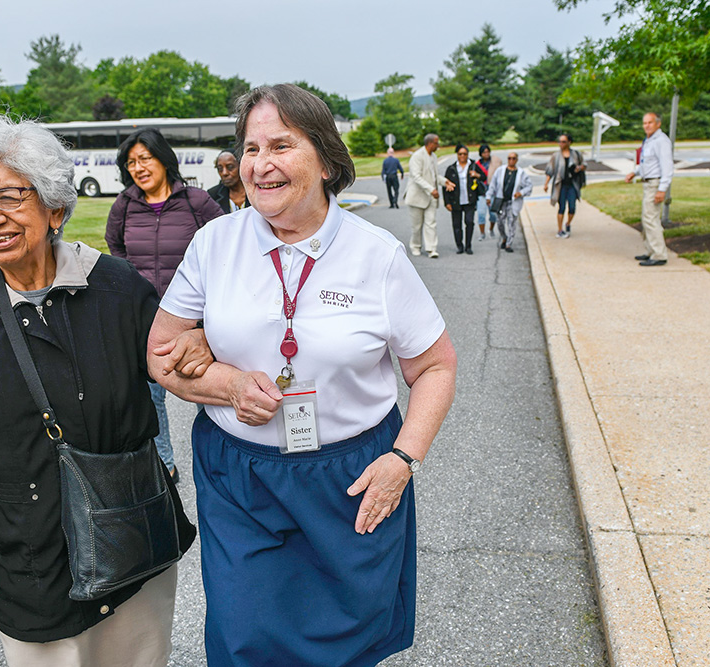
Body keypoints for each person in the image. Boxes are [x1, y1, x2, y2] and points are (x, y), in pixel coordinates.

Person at [147, 84, 457, 666]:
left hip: (351, 476)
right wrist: (227, 384)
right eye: (250, 147)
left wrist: (403, 459)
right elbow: (160, 351)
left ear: (324, 157)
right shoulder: (214, 242)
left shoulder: (378, 256)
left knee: (349, 642)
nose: (260, 165)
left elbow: (436, 365)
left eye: (281, 146)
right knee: (243, 637)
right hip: (241, 476)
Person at [0, 114, 204, 666]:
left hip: (132, 540)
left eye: (8, 197)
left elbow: (183, 362)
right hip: (30, 559)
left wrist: (206, 348)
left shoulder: (117, 289)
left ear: (55, 208)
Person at [105, 128, 225, 482]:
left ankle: (220, 465)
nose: (139, 167)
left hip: (199, 322)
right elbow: (116, 247)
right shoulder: (125, 205)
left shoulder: (196, 201)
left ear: (163, 159)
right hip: (146, 320)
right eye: (131, 162)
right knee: (151, 397)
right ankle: (165, 465)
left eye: (145, 158)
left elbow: (226, 246)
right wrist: (135, 284)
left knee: (212, 392)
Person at [625, 112, 674, 266]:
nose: (646, 126)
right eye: (644, 123)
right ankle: (650, 250)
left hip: (655, 184)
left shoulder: (661, 141)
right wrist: (635, 172)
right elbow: (647, 163)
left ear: (658, 124)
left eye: (650, 123)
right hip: (647, 183)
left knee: (651, 219)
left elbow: (667, 167)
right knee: (646, 219)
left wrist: (662, 190)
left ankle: (659, 255)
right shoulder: (648, 140)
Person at [404, 133, 455, 258]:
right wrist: (431, 189)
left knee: (431, 223)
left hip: (431, 196)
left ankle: (431, 249)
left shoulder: (433, 156)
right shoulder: (417, 156)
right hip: (417, 197)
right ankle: (416, 246)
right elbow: (416, 176)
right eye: (437, 143)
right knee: (416, 226)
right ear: (430, 143)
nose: (438, 145)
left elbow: (434, 175)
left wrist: (445, 182)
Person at [485, 152, 533, 253]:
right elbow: (493, 184)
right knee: (500, 222)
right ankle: (504, 237)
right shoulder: (500, 170)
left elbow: (529, 186)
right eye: (509, 158)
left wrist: (521, 192)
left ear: (516, 160)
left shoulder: (521, 173)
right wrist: (488, 196)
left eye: (513, 158)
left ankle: (508, 244)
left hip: (513, 202)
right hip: (501, 201)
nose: (511, 160)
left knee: (511, 222)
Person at [443, 144, 484, 255]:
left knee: (469, 222)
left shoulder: (474, 165)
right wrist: (447, 202)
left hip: (470, 200)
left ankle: (468, 246)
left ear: (468, 155)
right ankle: (460, 246)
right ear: (457, 155)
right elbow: (445, 185)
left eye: (464, 154)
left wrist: (477, 175)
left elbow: (484, 177)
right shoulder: (451, 168)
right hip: (455, 201)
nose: (462, 156)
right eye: (460, 154)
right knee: (457, 224)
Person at [543, 133, 586, 238]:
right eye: (559, 141)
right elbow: (550, 170)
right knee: (561, 207)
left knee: (572, 207)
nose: (560, 144)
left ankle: (568, 224)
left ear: (569, 142)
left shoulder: (576, 154)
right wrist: (546, 183)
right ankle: (560, 229)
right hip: (561, 185)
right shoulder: (556, 156)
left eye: (563, 141)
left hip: (572, 184)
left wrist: (578, 168)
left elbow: (584, 165)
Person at [206, 149, 249, 214]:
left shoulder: (255, 192)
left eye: (230, 167)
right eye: (220, 169)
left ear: (241, 166)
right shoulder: (213, 195)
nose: (224, 173)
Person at [474, 143, 502, 241]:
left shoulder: (494, 162)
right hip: (481, 192)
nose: (486, 154)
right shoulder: (477, 165)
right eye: (484, 152)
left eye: (487, 152)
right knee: (481, 213)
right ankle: (482, 233)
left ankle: (491, 229)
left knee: (493, 214)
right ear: (480, 154)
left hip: (493, 191)